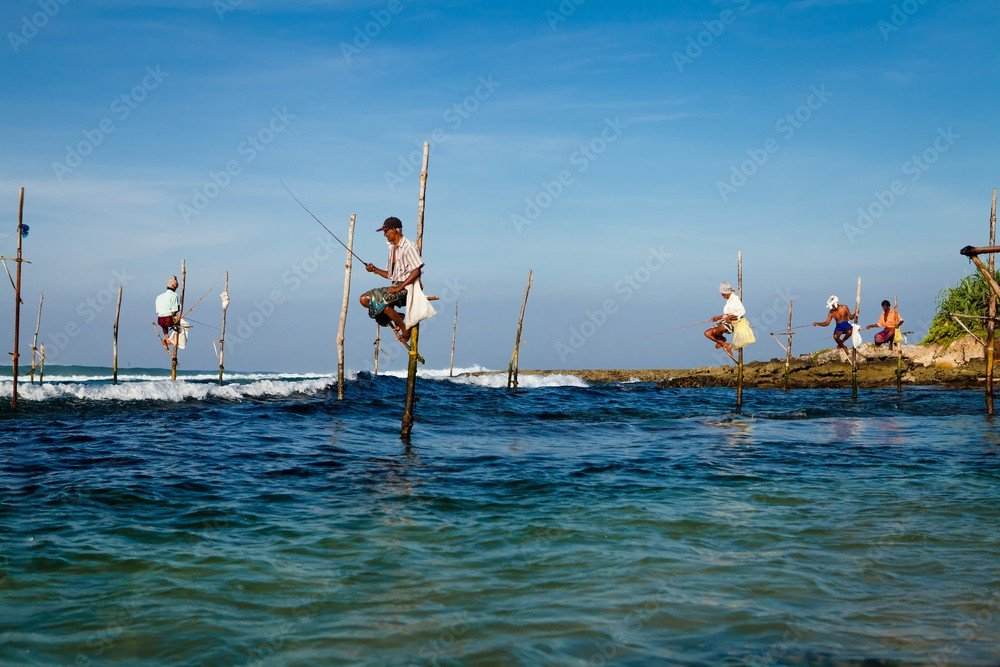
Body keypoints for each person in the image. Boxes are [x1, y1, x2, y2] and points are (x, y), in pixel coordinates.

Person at [359, 216, 424, 345]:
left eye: (386, 231)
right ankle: (398, 317)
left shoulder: (408, 247)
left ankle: (406, 330)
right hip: (395, 286)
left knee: (383, 304)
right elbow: (391, 274)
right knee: (365, 299)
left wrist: (400, 288)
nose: (384, 234)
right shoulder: (392, 248)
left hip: (408, 288)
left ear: (395, 230)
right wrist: (374, 269)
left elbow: (417, 271)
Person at [704, 281, 745, 361]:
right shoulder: (729, 300)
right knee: (707, 333)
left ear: (727, 292)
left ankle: (723, 342)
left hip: (733, 323)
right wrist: (718, 317)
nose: (722, 296)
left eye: (723, 294)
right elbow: (727, 314)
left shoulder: (735, 299)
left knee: (715, 331)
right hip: (725, 322)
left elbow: (741, 311)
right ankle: (723, 342)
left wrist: (729, 317)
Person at [155, 276, 180, 351]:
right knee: (181, 325)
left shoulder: (159, 296)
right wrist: (178, 309)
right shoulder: (174, 295)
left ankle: (167, 338)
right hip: (169, 319)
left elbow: (157, 311)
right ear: (175, 288)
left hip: (160, 319)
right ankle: (170, 340)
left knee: (164, 326)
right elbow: (174, 310)